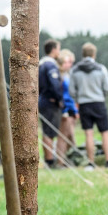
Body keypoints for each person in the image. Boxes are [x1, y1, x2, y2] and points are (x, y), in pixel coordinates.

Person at [69, 42, 108, 169]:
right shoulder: (101, 68)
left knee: (88, 134)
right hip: (98, 103)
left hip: (84, 104)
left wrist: (79, 99)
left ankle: (91, 162)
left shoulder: (74, 70)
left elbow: (72, 91)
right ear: (94, 54)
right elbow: (107, 89)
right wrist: (100, 96)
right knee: (105, 132)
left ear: (83, 54)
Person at [38, 39, 63, 168]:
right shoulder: (50, 65)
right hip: (50, 102)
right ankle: (50, 161)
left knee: (46, 131)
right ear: (53, 50)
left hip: (42, 100)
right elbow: (54, 85)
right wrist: (59, 99)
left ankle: (49, 159)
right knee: (49, 132)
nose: (59, 52)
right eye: (58, 49)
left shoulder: (41, 64)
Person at [56, 49, 78, 167]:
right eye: (68, 62)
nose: (70, 64)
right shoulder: (59, 76)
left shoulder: (68, 74)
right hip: (64, 108)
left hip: (71, 108)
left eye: (71, 62)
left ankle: (65, 159)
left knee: (70, 137)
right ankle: (60, 161)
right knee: (63, 136)